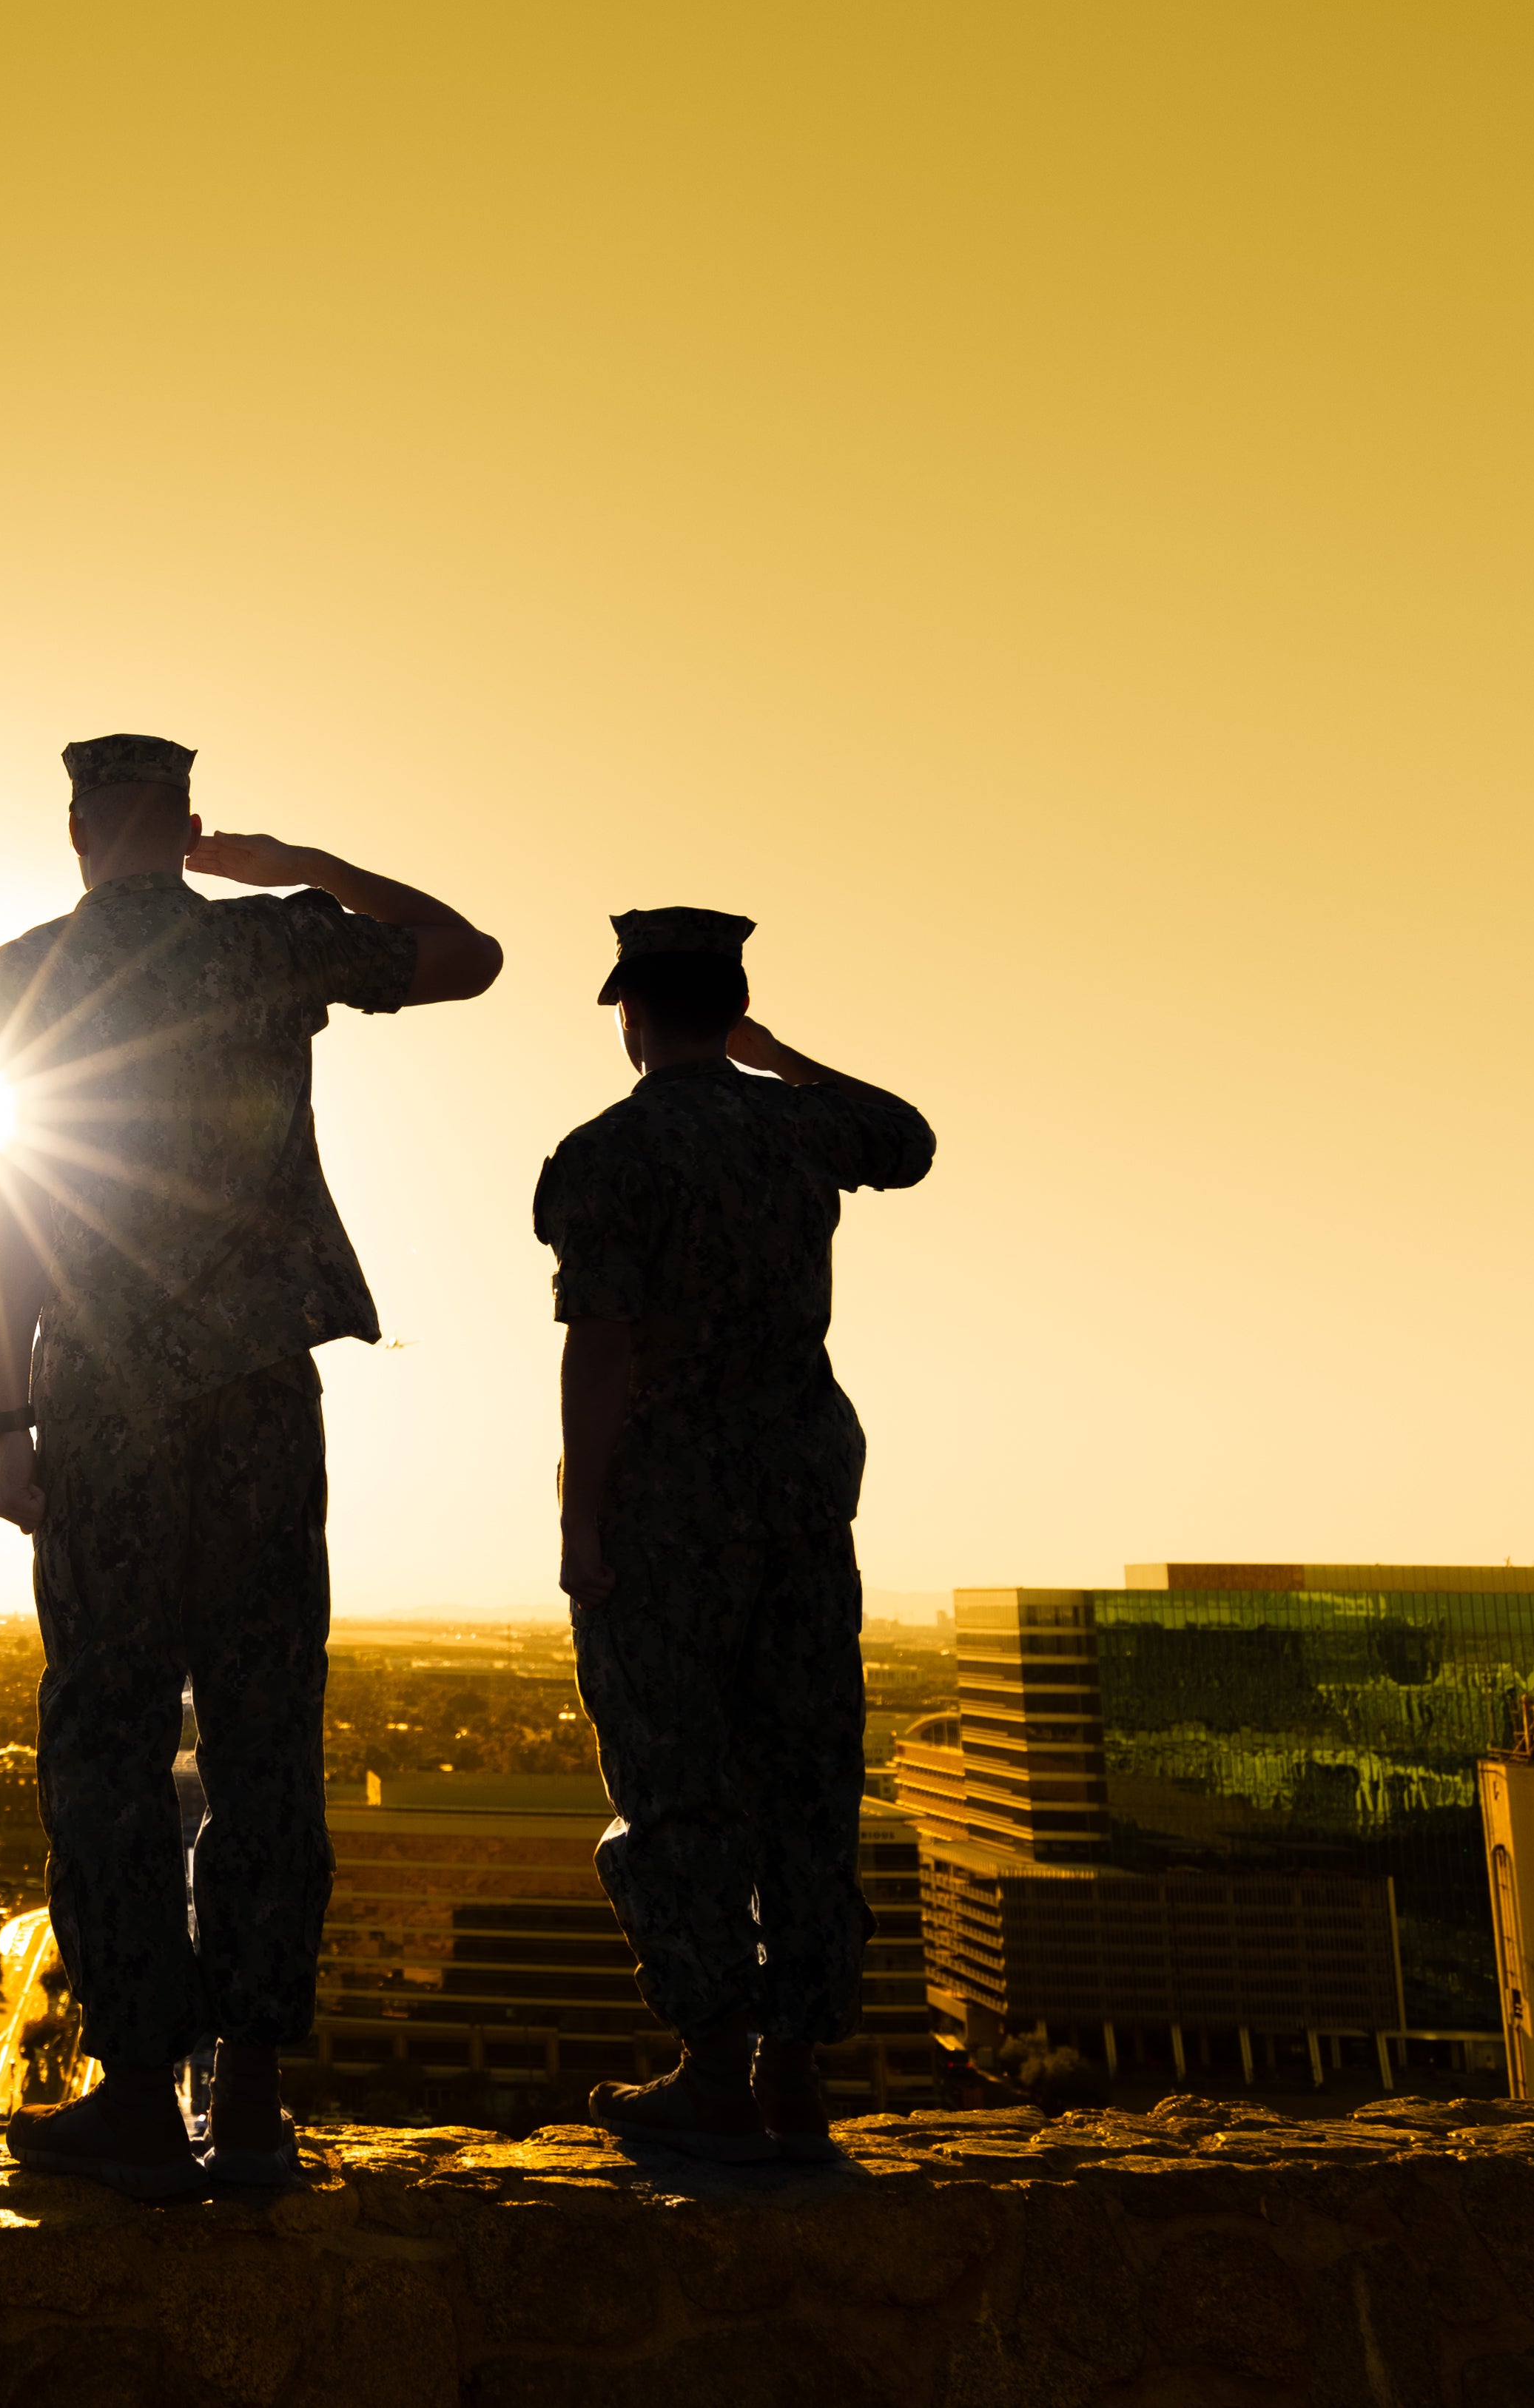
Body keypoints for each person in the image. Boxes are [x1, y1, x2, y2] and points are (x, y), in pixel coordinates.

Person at [0, 733, 502, 2199]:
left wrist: (10, 1422)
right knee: (264, 1732)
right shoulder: (271, 944)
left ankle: (140, 2088)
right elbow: (468, 955)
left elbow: (9, 1199)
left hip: (104, 1401)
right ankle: (252, 2097)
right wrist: (306, 870)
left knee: (108, 1737)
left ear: (76, 825)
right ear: (189, 827)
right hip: (257, 1391)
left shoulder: (10, 981)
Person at [535, 907, 935, 2164]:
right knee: (807, 1779)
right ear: (734, 1012)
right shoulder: (794, 1129)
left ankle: (713, 2060)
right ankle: (798, 2062)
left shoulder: (606, 1154)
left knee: (674, 1787)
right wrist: (780, 1063)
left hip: (665, 1510)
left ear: (631, 1018)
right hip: (801, 1502)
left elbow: (598, 1349)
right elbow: (908, 1140)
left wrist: (581, 1521)